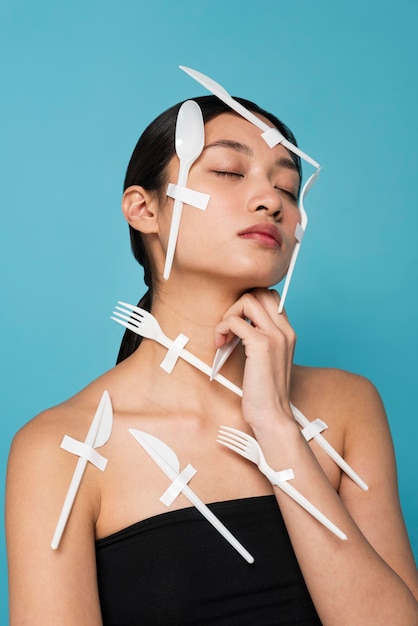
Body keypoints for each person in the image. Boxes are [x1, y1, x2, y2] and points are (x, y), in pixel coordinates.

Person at [6, 89, 418, 625]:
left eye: (288, 187)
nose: (271, 199)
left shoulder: (346, 407)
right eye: (228, 170)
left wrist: (277, 431)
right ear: (143, 208)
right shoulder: (61, 448)